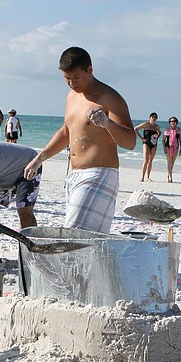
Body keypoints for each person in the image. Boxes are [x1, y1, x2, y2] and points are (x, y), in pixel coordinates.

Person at [24, 46, 135, 233]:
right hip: (74, 176)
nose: (71, 83)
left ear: (90, 70)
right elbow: (66, 132)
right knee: (87, 241)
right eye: (67, 78)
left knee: (73, 235)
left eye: (76, 77)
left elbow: (130, 142)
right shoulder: (71, 96)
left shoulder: (109, 98)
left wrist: (107, 123)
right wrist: (39, 158)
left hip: (99, 174)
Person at [134, 112, 161, 182]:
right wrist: (141, 138)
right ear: (150, 118)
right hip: (146, 143)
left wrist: (157, 137)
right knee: (145, 160)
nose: (154, 118)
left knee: (150, 160)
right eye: (152, 117)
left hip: (154, 144)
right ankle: (142, 177)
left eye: (155, 117)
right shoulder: (146, 124)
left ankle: (148, 177)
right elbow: (135, 129)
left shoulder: (156, 126)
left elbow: (160, 132)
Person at [163, 117, 181, 182]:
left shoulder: (178, 130)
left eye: (174, 121)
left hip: (176, 147)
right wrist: (164, 148)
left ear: (176, 122)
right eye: (171, 121)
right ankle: (170, 177)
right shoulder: (167, 130)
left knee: (172, 162)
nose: (173, 122)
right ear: (169, 122)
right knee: (169, 162)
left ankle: (168, 175)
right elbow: (163, 140)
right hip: (168, 147)